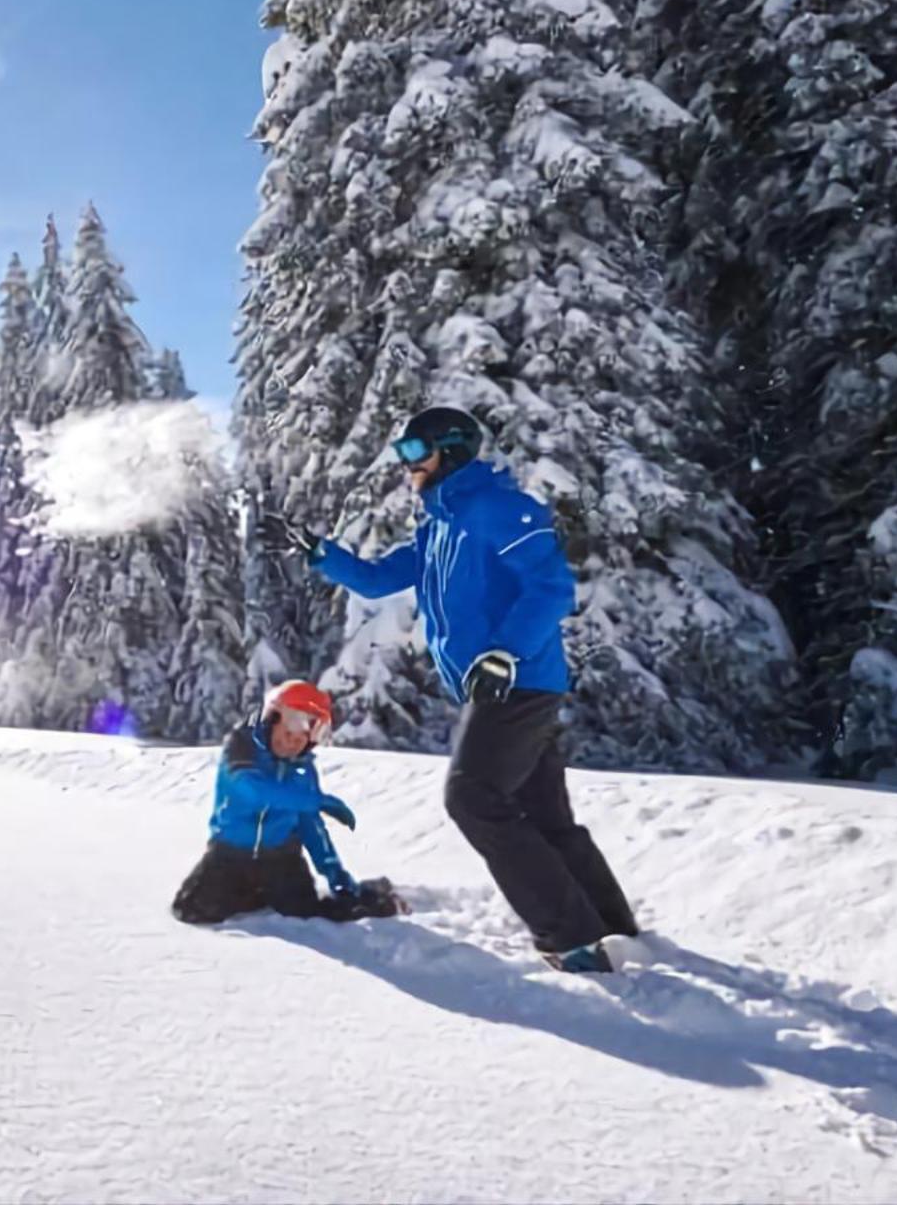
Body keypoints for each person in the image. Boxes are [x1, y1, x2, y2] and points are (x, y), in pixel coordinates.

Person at [261, 405, 637, 973]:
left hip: (520, 681)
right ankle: (610, 925)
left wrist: (506, 651)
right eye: (401, 453)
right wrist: (319, 552)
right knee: (543, 813)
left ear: (452, 450)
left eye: (415, 451)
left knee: (472, 798)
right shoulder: (439, 525)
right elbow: (377, 578)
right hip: (495, 685)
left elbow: (552, 587)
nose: (405, 464)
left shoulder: (499, 509)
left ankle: (571, 938)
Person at [172, 680, 404, 927]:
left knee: (307, 915)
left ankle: (378, 898)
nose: (293, 743)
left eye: (302, 738)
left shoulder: (303, 769)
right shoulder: (241, 749)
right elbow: (255, 791)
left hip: (281, 859)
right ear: (272, 720)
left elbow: (311, 827)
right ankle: (253, 894)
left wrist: (336, 876)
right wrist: (317, 801)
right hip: (229, 853)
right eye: (288, 732)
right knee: (190, 910)